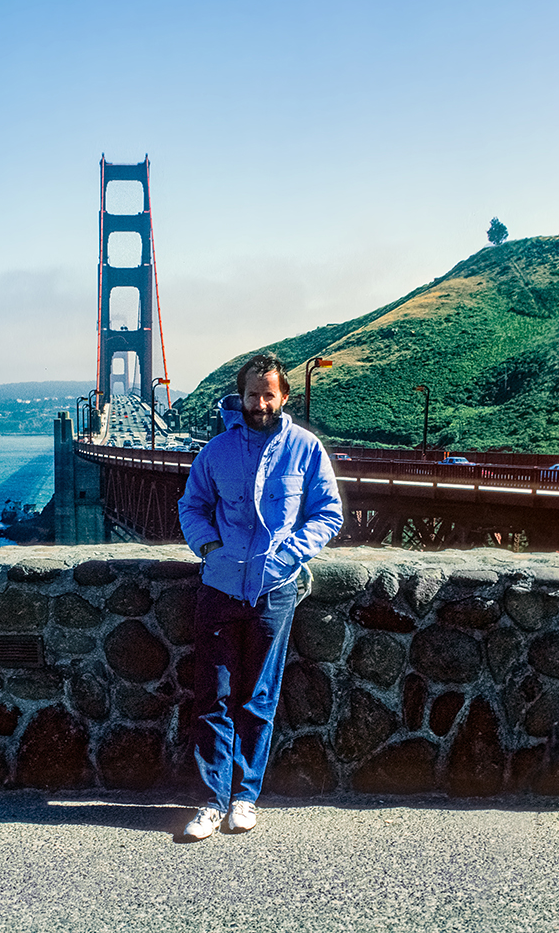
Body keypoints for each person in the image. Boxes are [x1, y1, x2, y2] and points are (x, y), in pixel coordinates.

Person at [178, 352, 343, 840]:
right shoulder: (216, 452)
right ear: (242, 396)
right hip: (220, 587)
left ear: (283, 395)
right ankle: (210, 802)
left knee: (258, 698)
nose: (260, 403)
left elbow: (327, 514)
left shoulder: (306, 449)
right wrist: (210, 549)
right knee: (214, 695)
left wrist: (289, 556)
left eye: (269, 394)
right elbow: (192, 506)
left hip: (274, 588)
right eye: (252, 394)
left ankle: (244, 798)